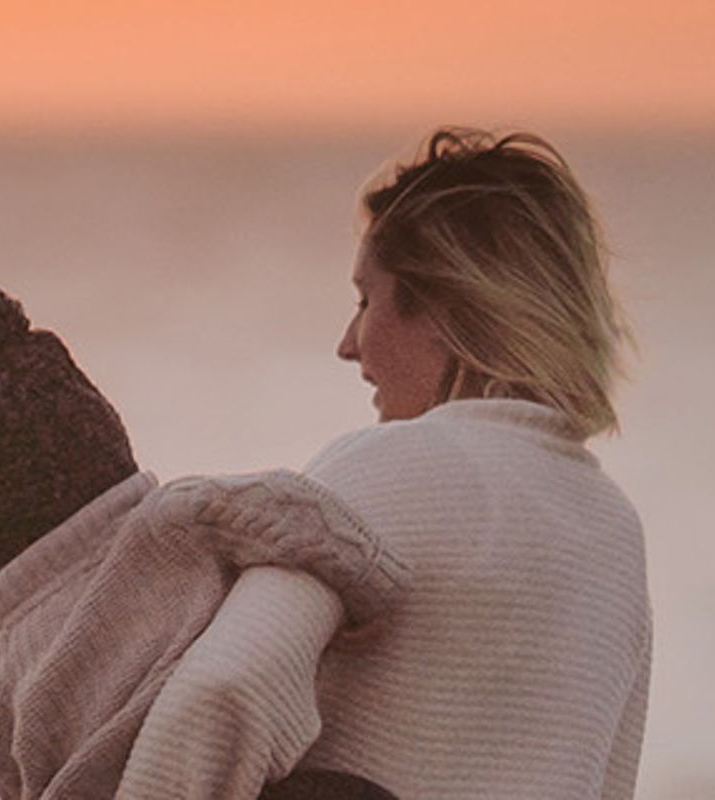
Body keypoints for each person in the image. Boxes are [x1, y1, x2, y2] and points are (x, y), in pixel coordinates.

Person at [117, 128, 651, 799]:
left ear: (450, 307)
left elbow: (227, 689)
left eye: (366, 300)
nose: (348, 344)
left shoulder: (391, 465)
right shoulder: (613, 531)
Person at [0, 287, 405, 799]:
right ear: (101, 436)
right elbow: (295, 512)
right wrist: (372, 588)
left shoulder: (0, 681)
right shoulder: (174, 519)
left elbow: (10, 779)